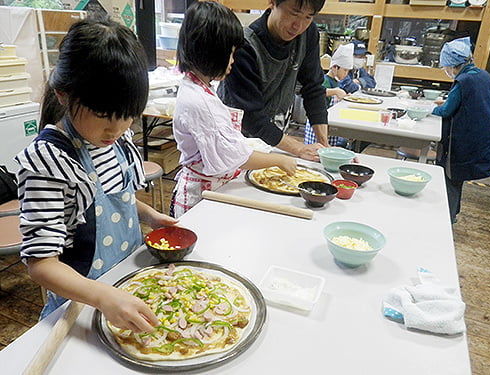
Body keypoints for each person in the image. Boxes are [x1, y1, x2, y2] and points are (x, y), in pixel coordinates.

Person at [15, 18, 178, 332]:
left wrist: (149, 215)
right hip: (79, 307)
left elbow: (110, 199)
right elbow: (41, 264)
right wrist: (103, 297)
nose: (116, 129)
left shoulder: (114, 139)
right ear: (64, 95)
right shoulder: (49, 163)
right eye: (104, 115)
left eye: (128, 115)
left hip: (124, 289)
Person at [171, 1, 297, 218]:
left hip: (216, 188)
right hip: (201, 199)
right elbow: (230, 156)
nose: (232, 61)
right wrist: (280, 160)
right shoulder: (198, 102)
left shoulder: (200, 88)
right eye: (230, 53)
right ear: (210, 52)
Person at [217, 0, 328, 162]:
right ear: (272, 3)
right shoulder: (245, 45)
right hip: (236, 140)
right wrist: (299, 148)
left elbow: (314, 87)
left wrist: (323, 146)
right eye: (294, 14)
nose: (298, 26)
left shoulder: (308, 34)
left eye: (308, 17)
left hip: (272, 138)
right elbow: (250, 117)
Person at [431, 37, 490, 223]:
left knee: (451, 178)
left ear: (453, 64)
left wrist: (430, 108)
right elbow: (469, 102)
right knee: (458, 179)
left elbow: (446, 110)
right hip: (479, 137)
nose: (446, 70)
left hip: (463, 140)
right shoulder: (482, 75)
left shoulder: (463, 80)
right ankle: (453, 213)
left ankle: (447, 218)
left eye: (446, 66)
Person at [304, 43, 352, 146]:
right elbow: (319, 93)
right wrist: (335, 91)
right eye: (344, 70)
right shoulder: (325, 80)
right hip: (316, 123)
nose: (346, 74)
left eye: (348, 71)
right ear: (335, 67)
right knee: (316, 148)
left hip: (327, 121)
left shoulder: (335, 82)